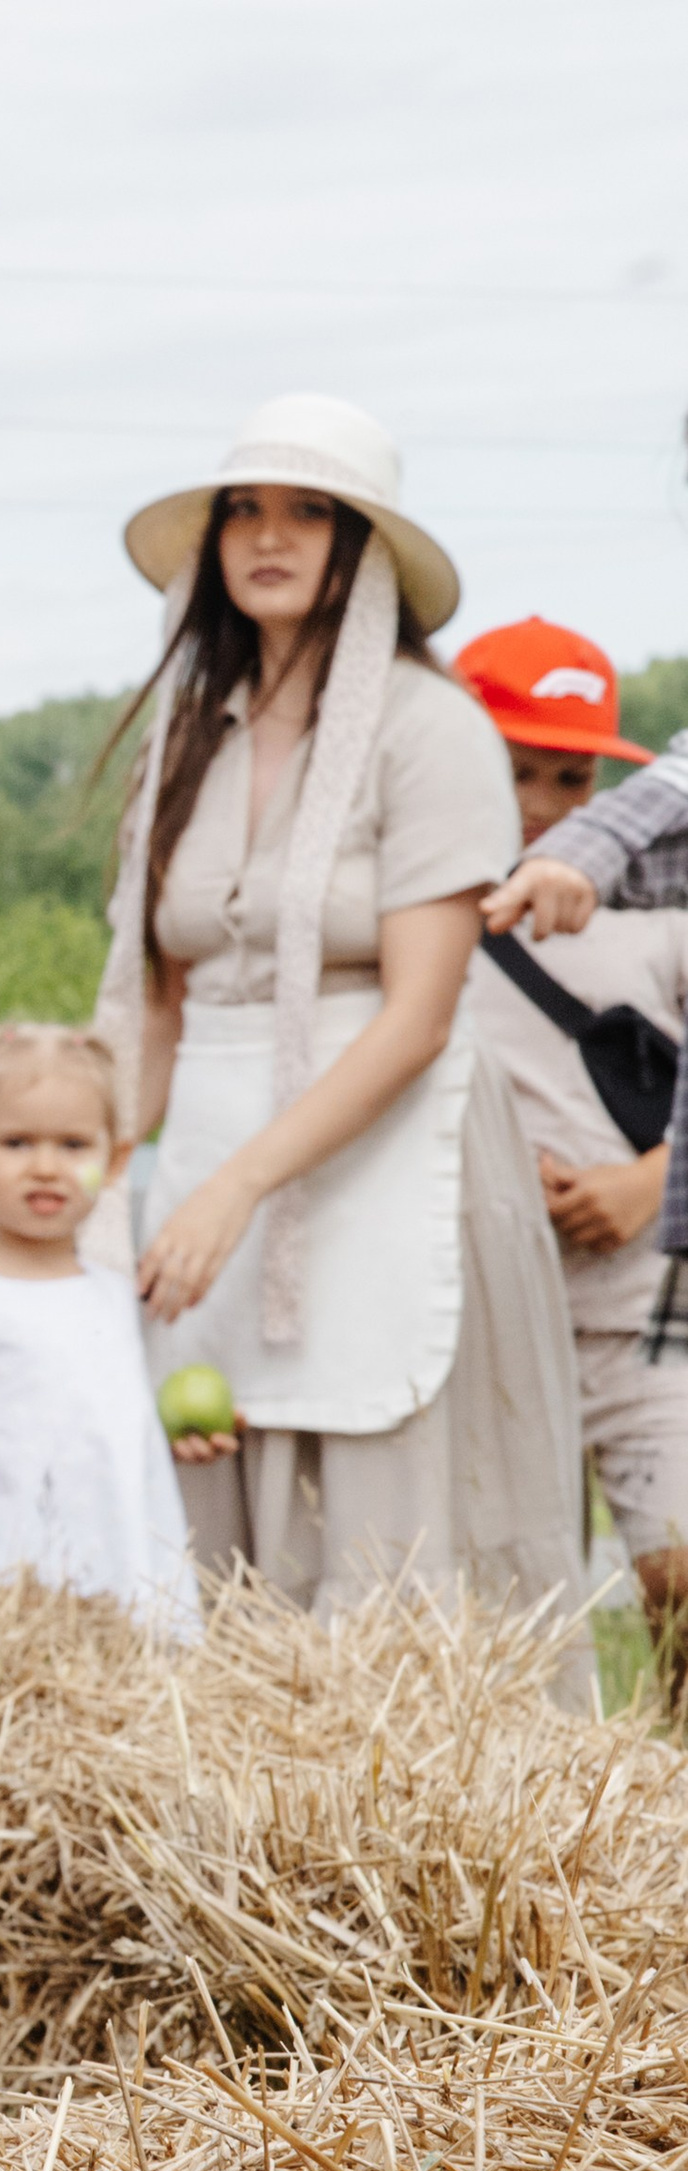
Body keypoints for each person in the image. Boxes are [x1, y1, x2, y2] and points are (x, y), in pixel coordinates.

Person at [94, 395, 587, 1677]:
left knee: (386, 1510)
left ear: (361, 547)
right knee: (204, 1488)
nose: (268, 537)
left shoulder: (429, 728)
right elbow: (151, 996)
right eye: (243, 511)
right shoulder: (182, 739)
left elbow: (422, 1015)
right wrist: (94, 1185)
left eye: (308, 511)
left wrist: (237, 1185)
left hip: (381, 1136)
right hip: (205, 1122)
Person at [453, 619, 688, 1692]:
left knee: (677, 1571)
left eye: (568, 773)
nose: (541, 803)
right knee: (510, 1600)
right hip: (486, 1306)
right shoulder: (422, 919)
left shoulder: (651, 912)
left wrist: (649, 1179)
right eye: (512, 771)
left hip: (638, 1306)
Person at [0, 1022, 198, 1637]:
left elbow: (112, 1423)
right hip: (3, 1575)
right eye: (17, 1143)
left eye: (74, 1146)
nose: (47, 1168)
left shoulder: (118, 1295)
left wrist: (181, 1433)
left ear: (114, 1163)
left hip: (116, 1568)